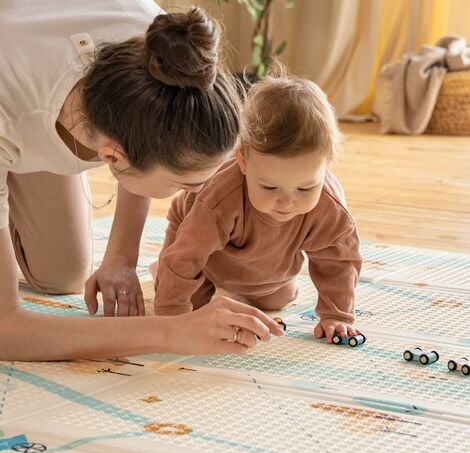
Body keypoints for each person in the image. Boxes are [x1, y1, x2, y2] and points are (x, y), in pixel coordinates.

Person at [0, 2, 284, 361]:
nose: (199, 193)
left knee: (62, 274)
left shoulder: (162, 46)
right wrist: (171, 332)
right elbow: (5, 330)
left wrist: (121, 256)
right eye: (184, 184)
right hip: (12, 97)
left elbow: (148, 136)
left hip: (30, 87)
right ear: (112, 156)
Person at [152, 72, 363, 343]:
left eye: (305, 188)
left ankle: (253, 283)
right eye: (270, 187)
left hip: (266, 258)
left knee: (277, 299)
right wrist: (172, 316)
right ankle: (162, 269)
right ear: (242, 162)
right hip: (196, 240)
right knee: (185, 299)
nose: (287, 202)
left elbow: (339, 262)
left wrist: (337, 315)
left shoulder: (329, 206)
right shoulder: (219, 199)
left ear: (326, 166)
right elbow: (187, 255)